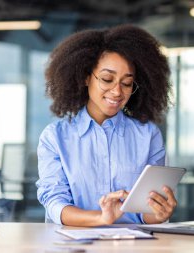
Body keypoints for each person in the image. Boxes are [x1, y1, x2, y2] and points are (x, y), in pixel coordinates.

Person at [36, 24, 176, 227]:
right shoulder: (55, 137)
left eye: (126, 83)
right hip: (75, 246)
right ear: (85, 77)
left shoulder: (148, 135)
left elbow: (145, 212)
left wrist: (160, 212)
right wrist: (100, 218)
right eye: (107, 79)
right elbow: (54, 202)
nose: (117, 91)